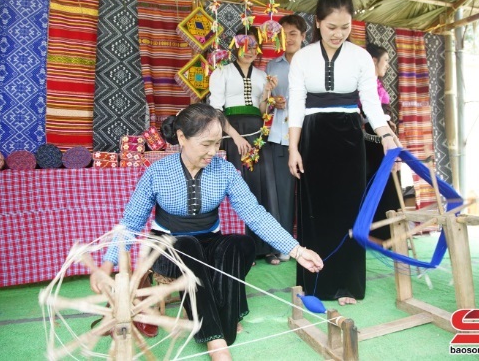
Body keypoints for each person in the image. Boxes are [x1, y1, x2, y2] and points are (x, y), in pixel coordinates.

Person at [90, 103, 324, 361]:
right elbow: (131, 223)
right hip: (168, 247)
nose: (214, 151)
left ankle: (226, 317)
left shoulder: (224, 171)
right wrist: (107, 264)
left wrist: (297, 250)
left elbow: (255, 214)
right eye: (206, 144)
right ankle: (215, 341)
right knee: (187, 247)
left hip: (208, 241)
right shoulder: (157, 173)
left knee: (241, 244)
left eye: (218, 143)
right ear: (182, 138)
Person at [287, 0, 400, 306]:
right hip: (313, 136)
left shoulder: (361, 57)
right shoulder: (303, 58)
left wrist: (387, 134)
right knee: (315, 212)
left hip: (350, 138)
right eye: (332, 27)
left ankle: (347, 285)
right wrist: (294, 148)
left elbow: (371, 104)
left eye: (346, 27)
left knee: (350, 210)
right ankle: (316, 283)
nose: (338, 34)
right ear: (319, 22)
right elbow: (296, 105)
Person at [209, 26, 282, 265]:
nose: (250, 51)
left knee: (264, 187)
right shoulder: (222, 72)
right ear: (236, 45)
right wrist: (236, 136)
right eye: (246, 45)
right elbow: (217, 110)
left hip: (258, 136)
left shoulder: (262, 76)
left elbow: (263, 112)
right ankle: (243, 249)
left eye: (254, 46)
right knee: (241, 189)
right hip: (233, 135)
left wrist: (267, 94)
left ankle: (266, 247)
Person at [264, 15, 308, 261]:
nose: (289, 38)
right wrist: (274, 102)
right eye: (284, 33)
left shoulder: (312, 64)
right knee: (281, 195)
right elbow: (266, 103)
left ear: (303, 36)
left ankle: (310, 241)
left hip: (307, 136)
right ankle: (284, 246)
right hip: (280, 136)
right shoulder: (272, 66)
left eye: (293, 33)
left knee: (309, 194)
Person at [364, 43, 402, 241]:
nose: (387, 65)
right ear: (373, 61)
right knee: (377, 183)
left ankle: (390, 232)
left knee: (390, 183)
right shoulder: (364, 86)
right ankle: (377, 232)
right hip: (372, 145)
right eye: (385, 61)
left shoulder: (378, 86)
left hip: (383, 142)